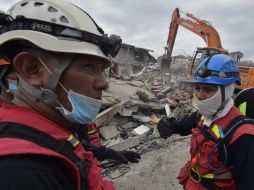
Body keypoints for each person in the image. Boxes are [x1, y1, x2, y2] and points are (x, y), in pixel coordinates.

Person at [0, 0, 139, 189]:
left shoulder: (54, 127)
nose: (104, 83)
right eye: (89, 67)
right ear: (32, 69)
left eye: (102, 70)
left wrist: (105, 152)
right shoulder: (23, 172)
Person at [157, 54, 254, 190]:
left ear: (226, 91)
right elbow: (180, 127)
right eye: (197, 88)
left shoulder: (243, 136)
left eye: (208, 89)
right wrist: (166, 125)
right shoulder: (201, 116)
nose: (199, 95)